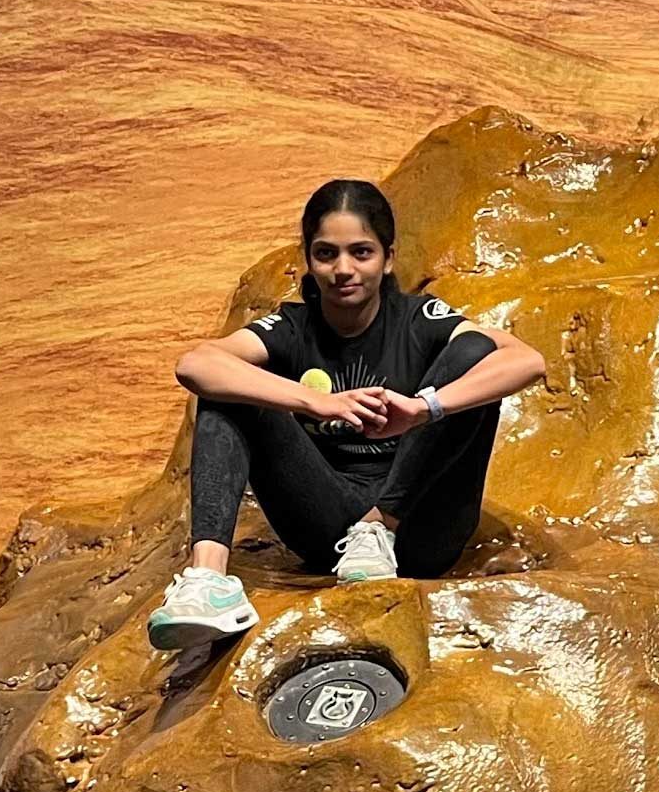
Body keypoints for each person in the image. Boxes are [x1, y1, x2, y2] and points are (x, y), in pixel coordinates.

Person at [147, 179, 546, 650]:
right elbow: (195, 364)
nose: (343, 269)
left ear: (388, 258)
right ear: (308, 260)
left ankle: (381, 524)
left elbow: (527, 361)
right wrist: (314, 400)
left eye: (361, 252)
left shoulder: (418, 319)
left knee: (477, 353)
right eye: (326, 254)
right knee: (226, 386)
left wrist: (422, 409)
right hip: (329, 528)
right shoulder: (293, 326)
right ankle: (209, 581)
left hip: (420, 526)